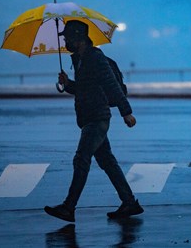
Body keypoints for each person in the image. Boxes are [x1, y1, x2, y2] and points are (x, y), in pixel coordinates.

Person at [44, 20, 143, 222]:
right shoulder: (80, 59)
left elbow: (111, 85)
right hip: (89, 117)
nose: (65, 41)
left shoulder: (95, 57)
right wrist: (68, 84)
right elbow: (85, 88)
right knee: (106, 160)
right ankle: (129, 202)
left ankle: (69, 207)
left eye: (68, 37)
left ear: (79, 37)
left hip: (97, 118)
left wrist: (126, 112)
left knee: (81, 158)